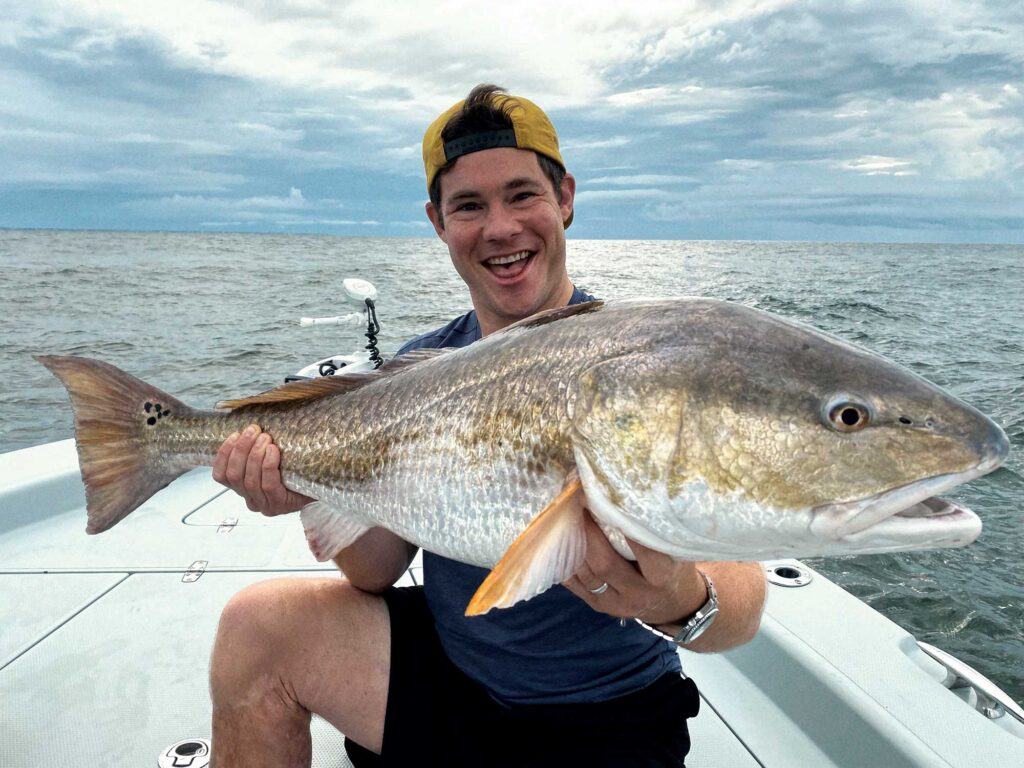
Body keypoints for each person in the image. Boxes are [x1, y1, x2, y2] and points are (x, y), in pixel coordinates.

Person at [208, 84, 767, 768]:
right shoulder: (419, 370)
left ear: (564, 197)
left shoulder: (631, 363)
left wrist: (683, 598)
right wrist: (310, 486)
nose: (500, 228)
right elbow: (373, 572)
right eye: (468, 205)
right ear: (438, 223)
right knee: (254, 627)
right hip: (453, 670)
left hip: (608, 713)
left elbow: (742, 594)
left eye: (522, 194)